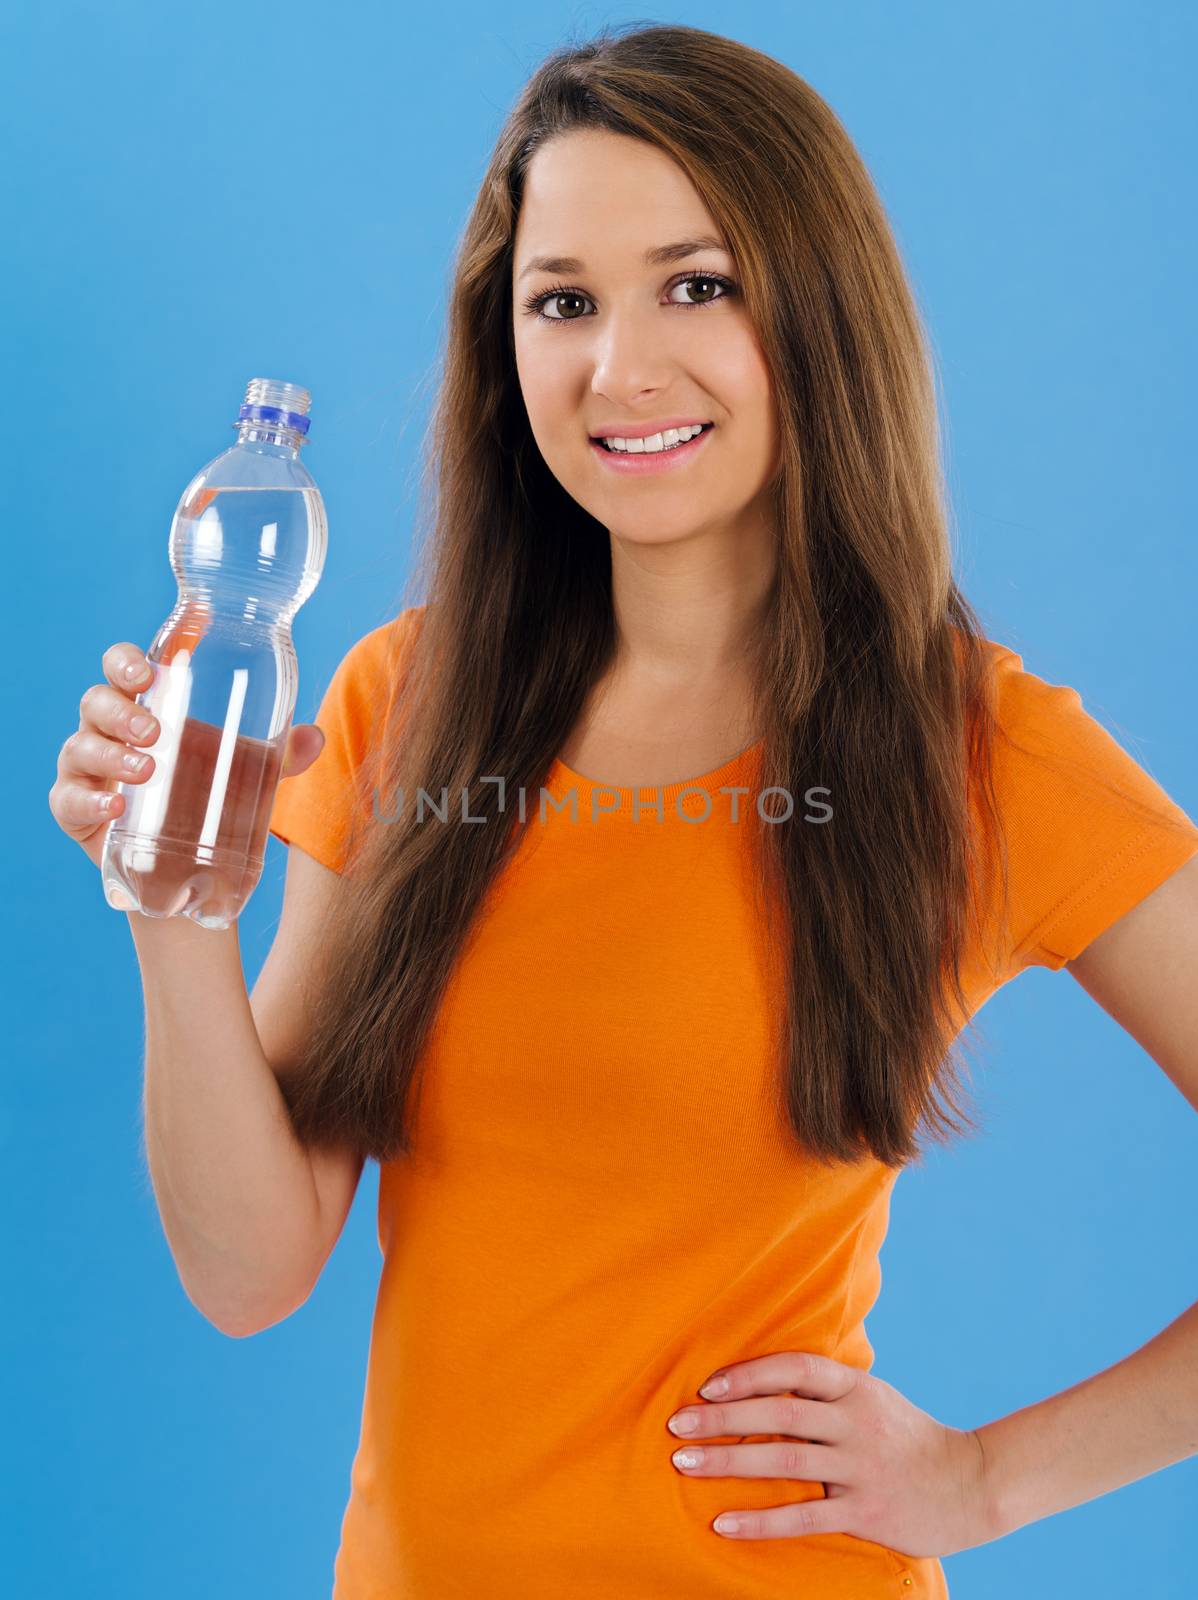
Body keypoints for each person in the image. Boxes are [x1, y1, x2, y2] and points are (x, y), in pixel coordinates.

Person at [51, 22, 1198, 1600]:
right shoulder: (407, 702)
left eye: (697, 284)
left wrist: (986, 1481)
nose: (620, 367)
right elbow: (250, 1273)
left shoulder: (975, 753)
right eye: (562, 302)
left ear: (817, 308)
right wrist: (176, 909)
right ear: (500, 341)